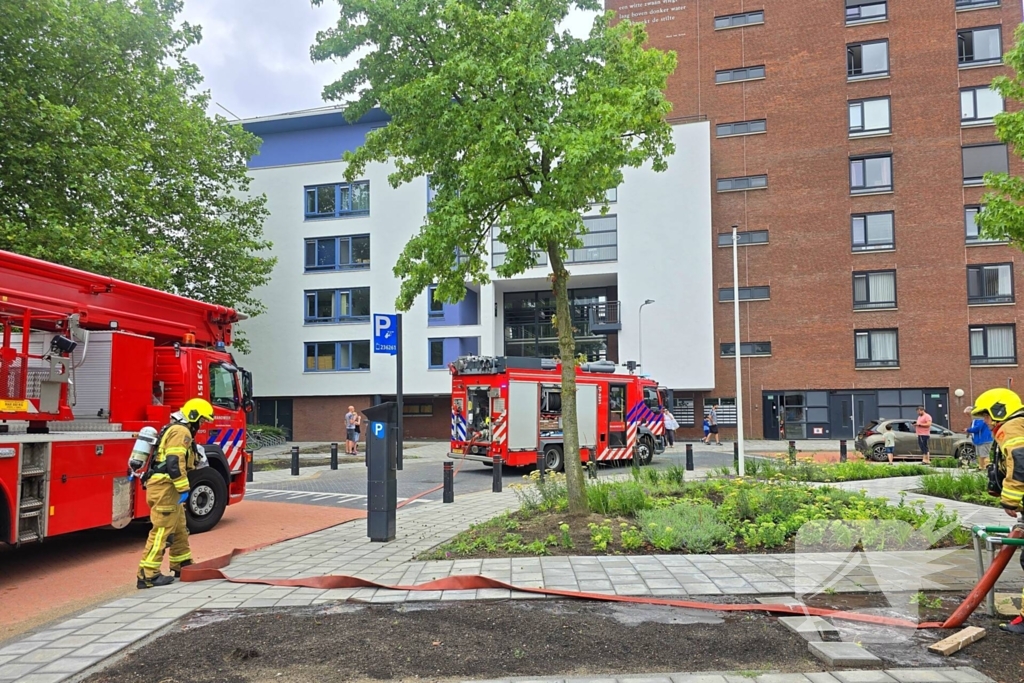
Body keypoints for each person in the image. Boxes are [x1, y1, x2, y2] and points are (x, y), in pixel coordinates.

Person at [136, 398, 214, 589]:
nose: (202, 424)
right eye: (202, 420)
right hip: (166, 487)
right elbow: (173, 462)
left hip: (166, 487)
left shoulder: (175, 428)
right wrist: (183, 488)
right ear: (194, 415)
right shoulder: (182, 431)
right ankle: (148, 574)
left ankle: (181, 563)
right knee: (161, 531)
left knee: (179, 527)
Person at [969, 388, 1024, 634]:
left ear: (999, 409)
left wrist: (1010, 499)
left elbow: (1020, 461)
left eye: (988, 417)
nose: (988, 423)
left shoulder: (1011, 428)